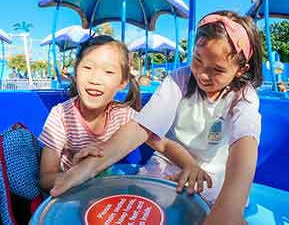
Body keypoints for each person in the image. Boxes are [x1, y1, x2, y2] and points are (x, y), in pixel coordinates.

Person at [50, 11, 262, 225]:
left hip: (214, 174)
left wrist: (230, 206)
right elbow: (142, 126)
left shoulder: (243, 96)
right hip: (169, 163)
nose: (203, 75)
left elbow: (245, 144)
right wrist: (90, 167)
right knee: (139, 207)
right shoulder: (180, 78)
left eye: (217, 69)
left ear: (240, 69)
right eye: (197, 60)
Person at [39, 35, 211, 193]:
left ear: (122, 83)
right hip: (67, 192)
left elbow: (165, 145)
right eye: (87, 67)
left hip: (104, 188)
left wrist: (190, 165)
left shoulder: (124, 116)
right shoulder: (60, 115)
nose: (95, 79)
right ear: (75, 73)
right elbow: (46, 178)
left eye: (108, 72)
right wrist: (74, 173)